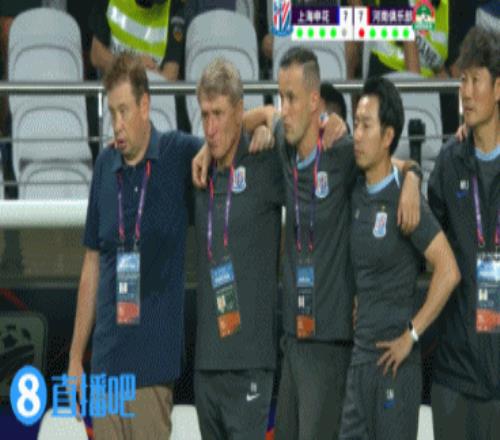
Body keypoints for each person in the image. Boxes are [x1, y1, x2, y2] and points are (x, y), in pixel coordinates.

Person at [195, 46, 423, 440]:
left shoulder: (341, 152)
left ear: (315, 101)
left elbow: (389, 162)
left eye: (293, 98)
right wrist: (210, 143)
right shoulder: (282, 146)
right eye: (281, 97)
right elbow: (252, 117)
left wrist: (414, 176)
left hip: (330, 341)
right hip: (293, 340)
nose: (284, 109)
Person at [67, 52, 203, 439]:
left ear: (145, 105)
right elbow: (92, 264)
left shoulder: (177, 153)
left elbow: (221, 139)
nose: (117, 124)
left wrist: (263, 119)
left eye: (124, 110)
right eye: (112, 113)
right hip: (106, 367)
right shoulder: (104, 167)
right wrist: (75, 358)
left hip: (152, 371)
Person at [339, 76, 460, 440]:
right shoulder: (355, 189)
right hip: (360, 361)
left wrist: (412, 334)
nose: (357, 135)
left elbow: (449, 270)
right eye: (356, 124)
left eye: (366, 125)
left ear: (388, 135)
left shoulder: (406, 202)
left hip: (396, 366)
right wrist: (413, 172)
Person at [193, 58, 283, 440]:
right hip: (206, 367)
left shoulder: (265, 159)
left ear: (239, 110)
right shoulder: (199, 170)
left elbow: (299, 133)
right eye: (204, 115)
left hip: (250, 365)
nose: (210, 128)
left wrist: (263, 116)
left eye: (219, 114)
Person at [427, 26, 500, 440]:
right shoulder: (449, 163)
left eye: (476, 81)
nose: (466, 93)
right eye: (462, 81)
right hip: (455, 375)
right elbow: (424, 243)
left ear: (499, 88)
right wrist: (410, 173)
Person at [88, 0, 185, 80]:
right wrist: (134, 65)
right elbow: (97, 56)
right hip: (113, 87)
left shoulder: (175, 7)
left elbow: (170, 75)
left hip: (152, 91)